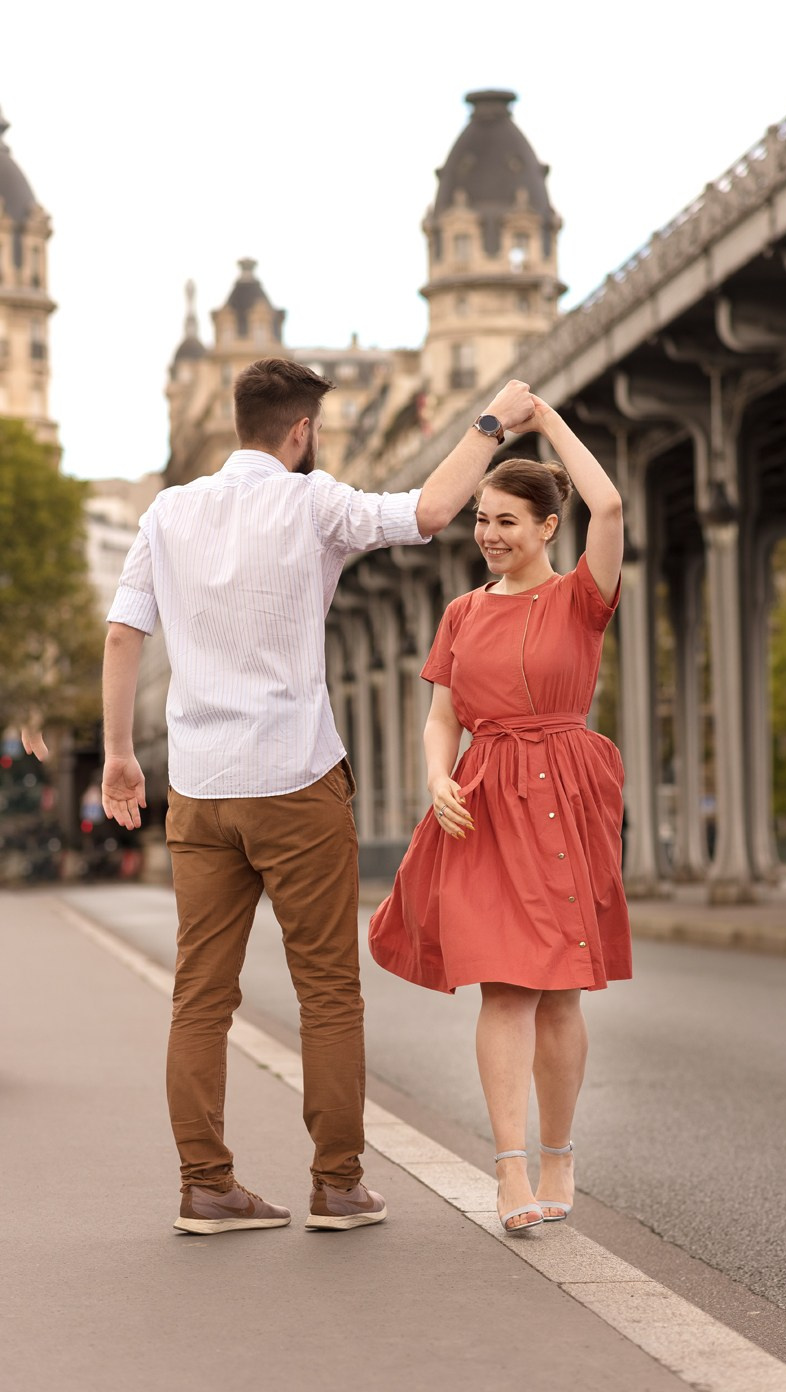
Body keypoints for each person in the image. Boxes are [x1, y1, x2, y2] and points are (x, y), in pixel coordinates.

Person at [100, 356, 533, 1236]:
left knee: (201, 994)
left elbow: (122, 634)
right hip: (296, 780)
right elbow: (431, 510)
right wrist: (492, 426)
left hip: (201, 787)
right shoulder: (313, 502)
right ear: (301, 431)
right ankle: (338, 1186)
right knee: (327, 991)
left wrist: (117, 755)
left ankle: (206, 1185)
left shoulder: (169, 511)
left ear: (239, 421)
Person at [369, 396, 630, 1235]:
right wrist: (436, 778)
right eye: (481, 519)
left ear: (550, 527)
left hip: (568, 792)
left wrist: (545, 421)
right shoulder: (462, 611)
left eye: (508, 520)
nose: (488, 533)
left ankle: (560, 1154)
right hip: (484, 803)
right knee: (507, 987)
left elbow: (614, 505)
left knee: (560, 996)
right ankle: (510, 1171)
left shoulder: (584, 598)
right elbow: (442, 714)